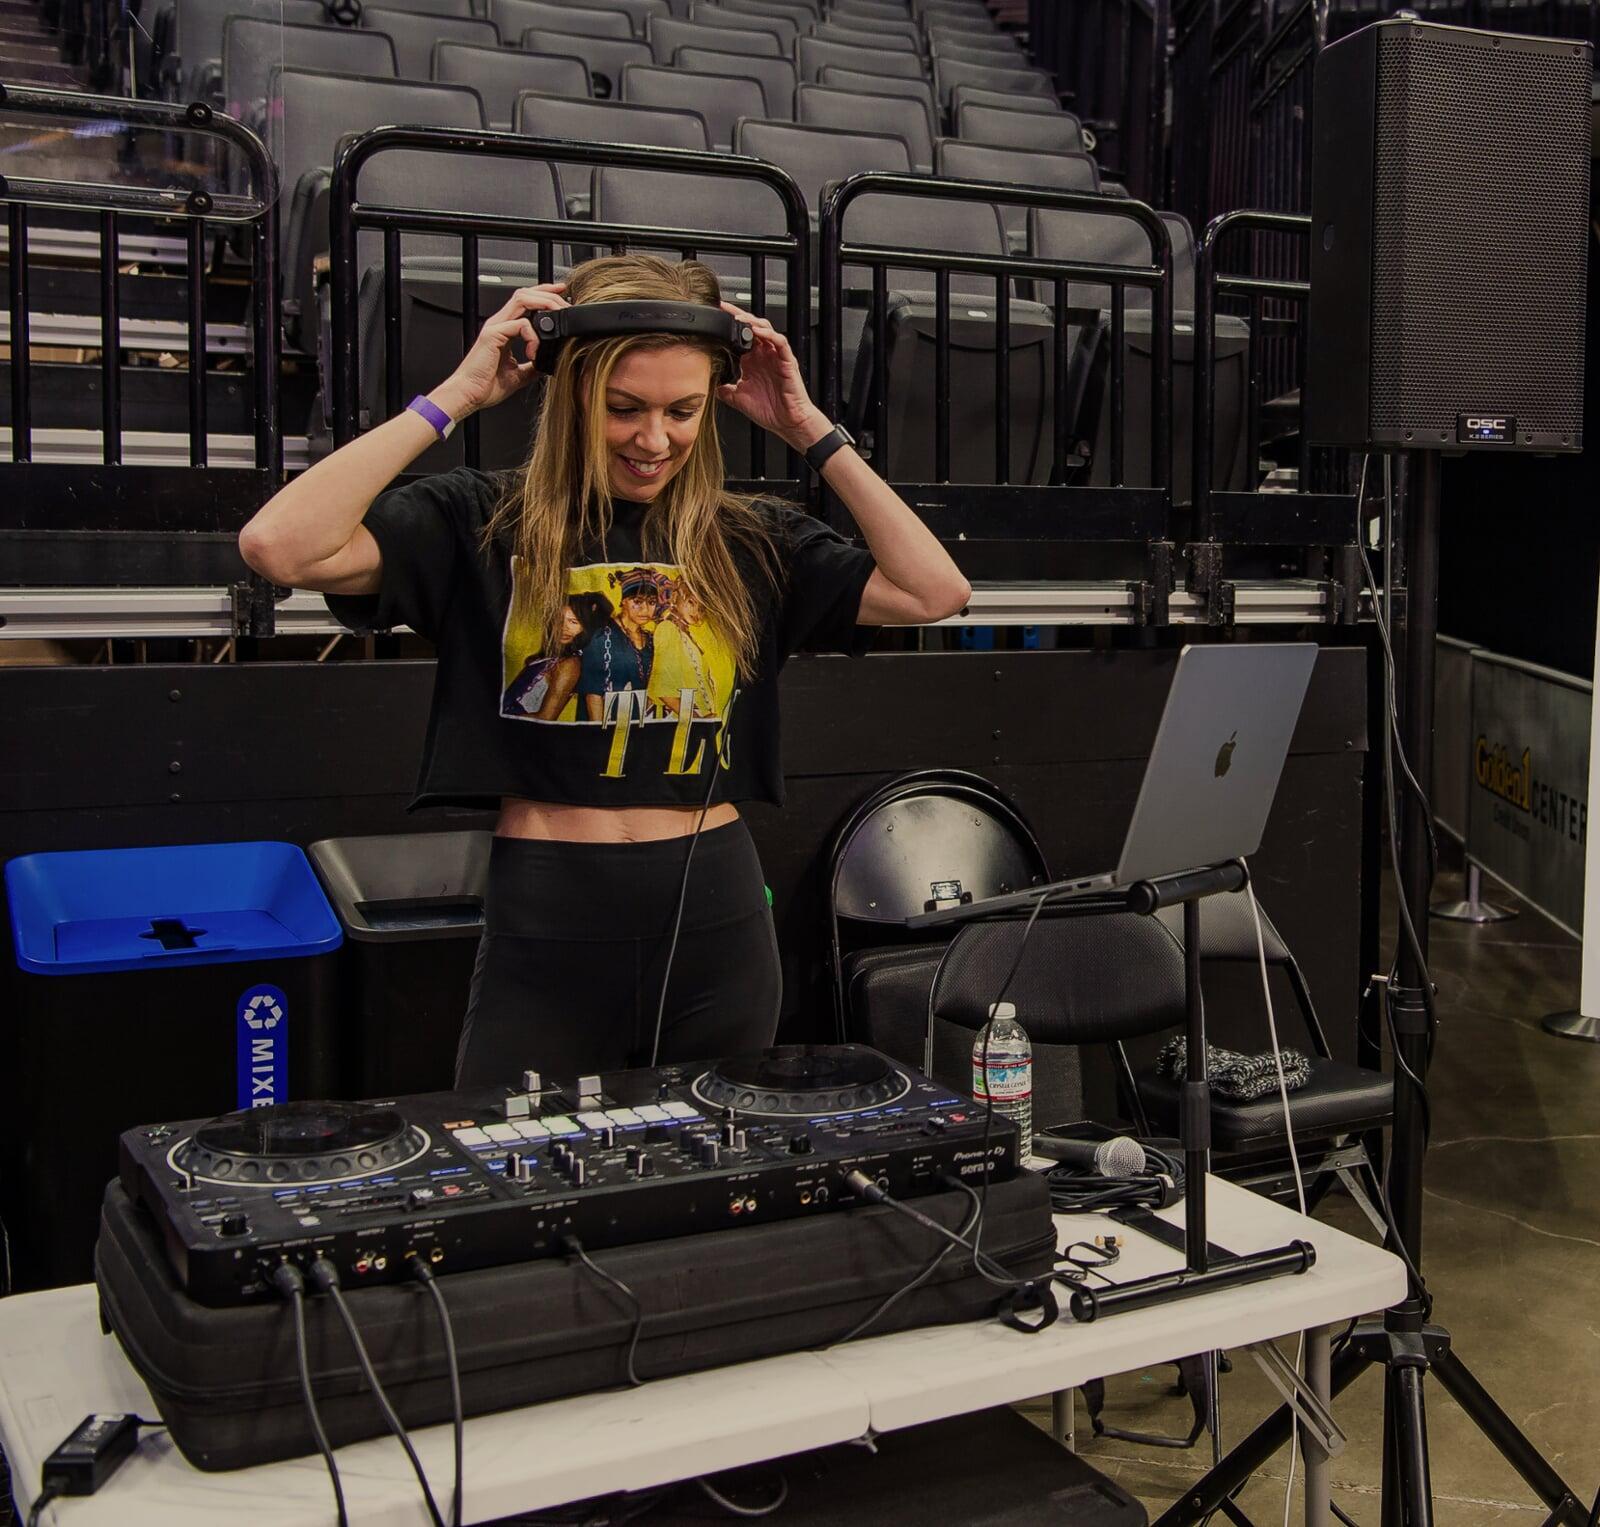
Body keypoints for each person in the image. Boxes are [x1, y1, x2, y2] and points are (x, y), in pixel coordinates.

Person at [239, 254, 970, 1084]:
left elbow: (934, 589)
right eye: (623, 408)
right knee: (523, 1182)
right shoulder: (480, 520)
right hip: (548, 912)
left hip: (715, 917)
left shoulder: (752, 539)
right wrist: (455, 396)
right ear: (573, 394)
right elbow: (277, 545)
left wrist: (810, 429)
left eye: (683, 410)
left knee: (712, 1181)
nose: (654, 439)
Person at [502, 591, 611, 721]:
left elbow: (546, 718)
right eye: (558, 620)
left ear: (586, 627)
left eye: (573, 622)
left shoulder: (570, 664)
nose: (563, 628)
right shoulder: (552, 658)